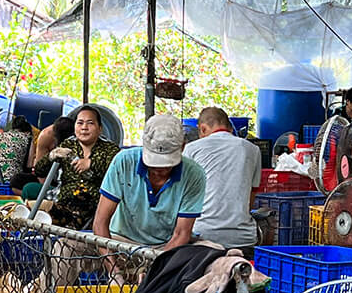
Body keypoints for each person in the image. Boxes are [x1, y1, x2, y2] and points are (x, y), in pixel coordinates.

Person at [92, 113, 207, 250]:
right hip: (120, 241)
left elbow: (181, 234)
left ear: (182, 147)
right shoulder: (124, 161)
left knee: (213, 250)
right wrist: (110, 262)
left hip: (167, 245)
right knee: (71, 244)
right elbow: (100, 222)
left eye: (166, 165)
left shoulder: (194, 174)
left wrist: (158, 262)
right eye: (154, 164)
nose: (159, 170)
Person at [183, 106, 262, 253]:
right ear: (230, 128)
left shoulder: (191, 149)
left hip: (203, 236)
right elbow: (251, 196)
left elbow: (183, 197)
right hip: (243, 238)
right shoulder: (253, 149)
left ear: (202, 129)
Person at [33, 105, 118, 230]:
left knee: (81, 198)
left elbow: (119, 171)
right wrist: (51, 155)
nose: (84, 127)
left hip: (93, 204)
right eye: (80, 123)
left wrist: (91, 163)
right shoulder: (68, 145)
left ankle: (51, 213)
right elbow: (39, 171)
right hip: (64, 200)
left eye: (90, 123)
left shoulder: (110, 150)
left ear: (100, 128)